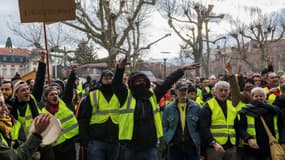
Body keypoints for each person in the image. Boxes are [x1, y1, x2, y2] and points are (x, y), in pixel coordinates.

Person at [113, 56, 200, 160]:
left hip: (150, 146)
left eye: (143, 80)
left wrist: (181, 70)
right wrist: (120, 69)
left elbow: (167, 82)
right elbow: (117, 84)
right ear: (132, 83)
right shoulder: (125, 97)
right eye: (138, 81)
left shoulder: (153, 96)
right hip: (130, 147)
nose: (141, 83)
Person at [78, 70, 120, 160]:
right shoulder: (93, 95)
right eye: (105, 78)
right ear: (101, 80)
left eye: (110, 78)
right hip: (96, 140)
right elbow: (84, 119)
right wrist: (85, 140)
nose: (108, 81)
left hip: (115, 140)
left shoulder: (119, 95)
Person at [0, 90, 51, 160]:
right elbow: (15, 158)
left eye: (4, 104)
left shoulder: (5, 124)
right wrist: (36, 135)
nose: (5, 108)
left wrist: (16, 143)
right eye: (0, 105)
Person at [41, 65, 78, 160]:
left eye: (57, 94)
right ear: (46, 97)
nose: (55, 96)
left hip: (69, 144)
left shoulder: (63, 103)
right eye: (52, 94)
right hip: (55, 148)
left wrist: (73, 73)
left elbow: (69, 89)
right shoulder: (43, 113)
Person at [238, 87, 285, 160]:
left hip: (270, 147)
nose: (259, 98)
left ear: (265, 97)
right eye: (256, 96)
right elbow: (240, 128)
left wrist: (282, 141)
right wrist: (248, 138)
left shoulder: (274, 110)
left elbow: (281, 127)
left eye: (261, 96)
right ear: (252, 97)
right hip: (252, 148)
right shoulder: (245, 111)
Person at [199, 81, 238, 160]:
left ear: (229, 91)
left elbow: (236, 125)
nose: (223, 92)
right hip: (214, 147)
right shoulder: (208, 106)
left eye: (226, 90)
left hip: (231, 146)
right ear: (215, 91)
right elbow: (203, 128)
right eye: (220, 90)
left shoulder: (231, 105)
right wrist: (213, 142)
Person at [162, 82, 201, 160]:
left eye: (185, 90)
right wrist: (168, 139)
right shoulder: (168, 108)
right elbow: (164, 125)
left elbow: (200, 126)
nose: (183, 93)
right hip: (174, 145)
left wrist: (197, 139)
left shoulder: (196, 107)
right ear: (176, 91)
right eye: (181, 90)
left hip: (191, 145)